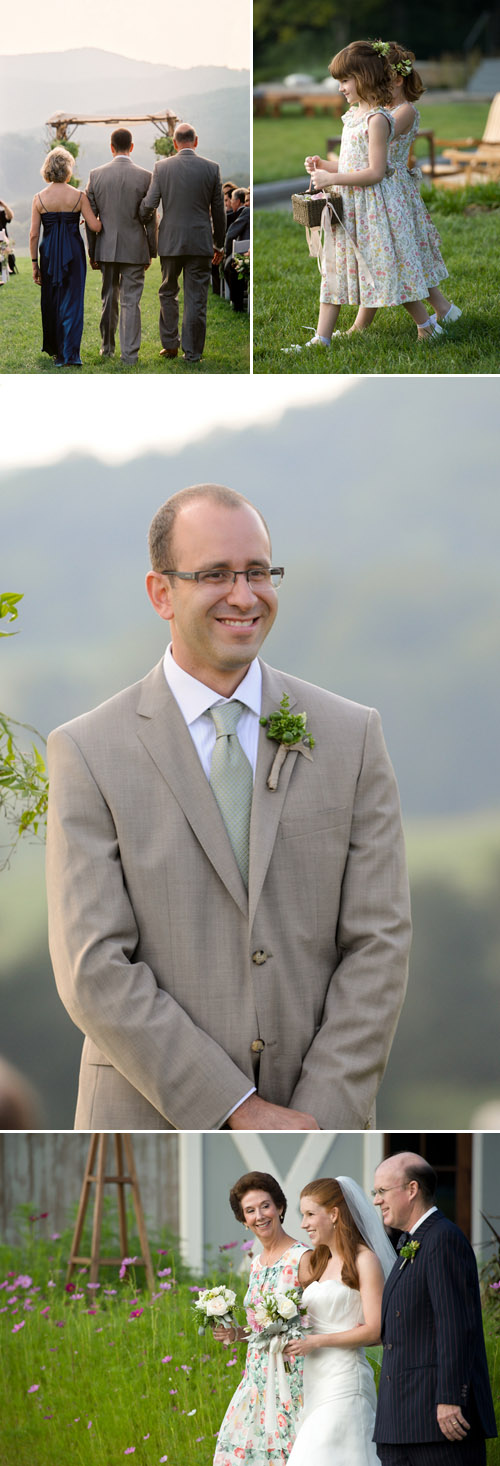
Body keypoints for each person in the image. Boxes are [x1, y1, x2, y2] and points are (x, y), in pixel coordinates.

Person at [46, 482, 411, 1132]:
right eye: (215, 574)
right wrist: (237, 1109)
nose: (245, 595)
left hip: (322, 1122)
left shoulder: (353, 735)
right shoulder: (87, 750)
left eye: (258, 572)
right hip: (146, 1122)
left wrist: (317, 1119)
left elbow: (378, 943)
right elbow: (93, 968)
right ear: (162, 593)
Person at [284, 39, 447, 352]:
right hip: (351, 208)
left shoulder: (378, 120)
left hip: (374, 209)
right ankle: (322, 338)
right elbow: (350, 164)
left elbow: (374, 172)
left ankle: (427, 325)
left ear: (366, 78)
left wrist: (331, 177)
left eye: (345, 80)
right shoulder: (353, 117)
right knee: (334, 269)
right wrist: (324, 165)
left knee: (388, 269)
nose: (341, 88)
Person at [373, 1151, 498, 1465]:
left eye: (382, 1192)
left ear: (411, 1189)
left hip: (436, 1422)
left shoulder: (443, 1238)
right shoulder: (412, 1243)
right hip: (401, 1422)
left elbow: (455, 1325)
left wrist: (450, 1399)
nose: (376, 1201)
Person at [285, 1177, 397, 1466]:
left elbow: (375, 1329)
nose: (303, 1224)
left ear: (334, 1214)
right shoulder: (320, 1263)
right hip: (315, 1380)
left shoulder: (364, 1260)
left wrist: (316, 1341)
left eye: (310, 1214)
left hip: (345, 1381)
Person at [213, 1170, 308, 1464]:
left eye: (265, 1206)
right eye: (250, 1211)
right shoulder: (255, 1265)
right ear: (243, 1221)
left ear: (280, 1207)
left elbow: (319, 1318)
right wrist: (235, 1333)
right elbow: (260, 1329)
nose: (259, 1216)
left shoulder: (302, 1258)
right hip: (255, 1378)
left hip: (291, 1377)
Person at [387, 43, 461, 330]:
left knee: (405, 255)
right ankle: (445, 309)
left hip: (394, 188)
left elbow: (377, 134)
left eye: (379, 80)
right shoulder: (388, 108)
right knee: (407, 254)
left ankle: (441, 311)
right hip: (388, 186)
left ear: (397, 79)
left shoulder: (405, 111)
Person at [139, 122, 225, 362]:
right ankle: (193, 352)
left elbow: (151, 202)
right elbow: (219, 210)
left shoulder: (161, 167)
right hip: (200, 241)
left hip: (171, 240)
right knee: (196, 297)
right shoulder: (212, 168)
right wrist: (219, 244)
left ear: (175, 143)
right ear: (195, 141)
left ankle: (170, 345)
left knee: (168, 292)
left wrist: (140, 216)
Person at [85, 129, 157, 365]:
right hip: (135, 248)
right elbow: (150, 217)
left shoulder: (95, 176)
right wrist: (151, 249)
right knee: (130, 302)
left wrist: (92, 251)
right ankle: (130, 355)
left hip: (105, 247)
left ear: (111, 147)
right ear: (132, 147)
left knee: (108, 299)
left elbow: (90, 218)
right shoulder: (146, 176)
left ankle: (107, 349)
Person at [30, 147, 102, 366]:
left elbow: (33, 234)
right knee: (73, 302)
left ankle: (56, 351)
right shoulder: (78, 196)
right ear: (68, 170)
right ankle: (70, 354)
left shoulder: (39, 198)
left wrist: (34, 264)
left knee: (52, 299)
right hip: (74, 253)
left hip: (49, 253)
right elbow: (96, 226)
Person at [223, 189, 251, 311]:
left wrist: (226, 252)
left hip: (245, 253)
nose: (246, 204)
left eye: (249, 200)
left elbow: (231, 234)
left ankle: (237, 304)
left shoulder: (247, 211)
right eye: (246, 201)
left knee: (229, 265)